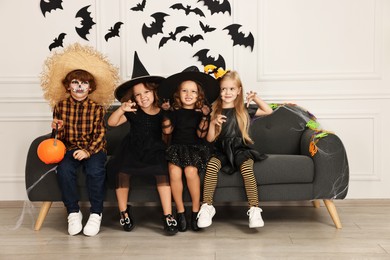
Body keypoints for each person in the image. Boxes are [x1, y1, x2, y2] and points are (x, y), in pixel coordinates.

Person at [40, 43, 119, 236]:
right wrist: (56, 130)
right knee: (65, 170)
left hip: (93, 149)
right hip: (69, 148)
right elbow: (57, 139)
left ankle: (96, 213)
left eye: (84, 83)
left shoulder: (96, 108)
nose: (79, 86)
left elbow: (100, 134)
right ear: (68, 86)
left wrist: (88, 151)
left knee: (95, 171)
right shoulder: (60, 106)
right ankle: (73, 212)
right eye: (75, 82)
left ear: (90, 87)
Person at [107, 52, 178, 235]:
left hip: (155, 148)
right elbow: (112, 123)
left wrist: (167, 115)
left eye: (146, 92)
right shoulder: (132, 111)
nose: (143, 97)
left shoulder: (162, 111)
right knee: (122, 172)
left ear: (154, 92)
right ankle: (124, 212)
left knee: (162, 173)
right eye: (138, 95)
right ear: (133, 98)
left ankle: (168, 215)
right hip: (132, 148)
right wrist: (122, 109)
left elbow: (168, 132)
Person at [197, 69, 273, 229]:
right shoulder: (213, 111)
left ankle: (254, 209)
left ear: (239, 91)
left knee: (247, 169)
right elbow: (210, 139)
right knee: (211, 167)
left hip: (240, 149)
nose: (227, 92)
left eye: (231, 89)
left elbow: (268, 111)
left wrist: (255, 98)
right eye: (223, 89)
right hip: (220, 150)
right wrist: (212, 123)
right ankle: (207, 206)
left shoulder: (244, 110)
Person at [158, 66, 219, 232]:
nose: (189, 95)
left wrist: (206, 116)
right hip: (176, 147)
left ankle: (195, 210)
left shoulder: (201, 113)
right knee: (174, 172)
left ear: (199, 95)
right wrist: (165, 113)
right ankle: (180, 211)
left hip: (195, 147)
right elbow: (167, 131)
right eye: (184, 90)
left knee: (191, 172)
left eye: (193, 91)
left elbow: (201, 134)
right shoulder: (173, 111)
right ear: (178, 93)